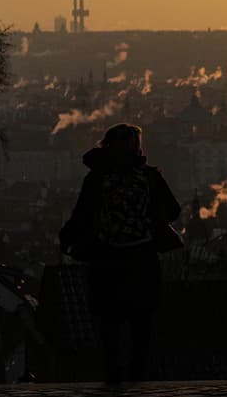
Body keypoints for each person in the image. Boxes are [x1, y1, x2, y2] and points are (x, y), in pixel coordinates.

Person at [59, 123, 181, 383]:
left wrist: (66, 238)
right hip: (142, 259)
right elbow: (173, 210)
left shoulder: (96, 179)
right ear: (137, 148)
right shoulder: (148, 176)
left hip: (107, 260)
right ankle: (139, 375)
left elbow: (81, 216)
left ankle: (113, 375)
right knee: (141, 324)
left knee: (109, 323)